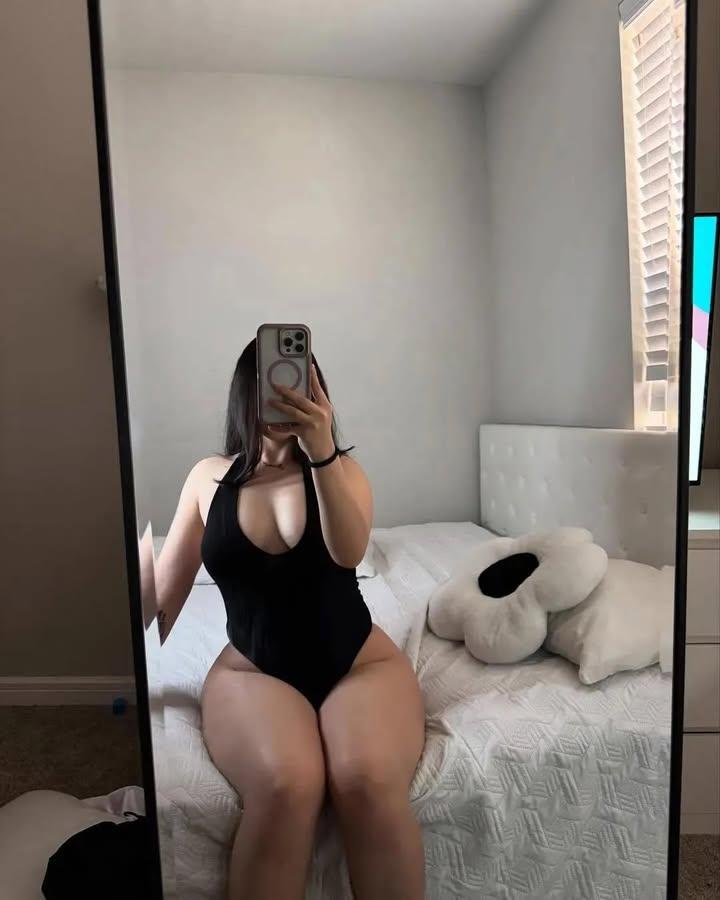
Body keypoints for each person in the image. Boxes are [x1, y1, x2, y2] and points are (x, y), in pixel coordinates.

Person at [153, 338, 426, 900]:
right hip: (253, 671)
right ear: (245, 394)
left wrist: (322, 453)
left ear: (316, 391)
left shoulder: (344, 472)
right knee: (285, 785)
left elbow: (348, 553)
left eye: (295, 380)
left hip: (358, 664)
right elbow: (163, 594)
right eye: (269, 382)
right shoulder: (207, 478)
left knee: (367, 779)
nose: (283, 394)